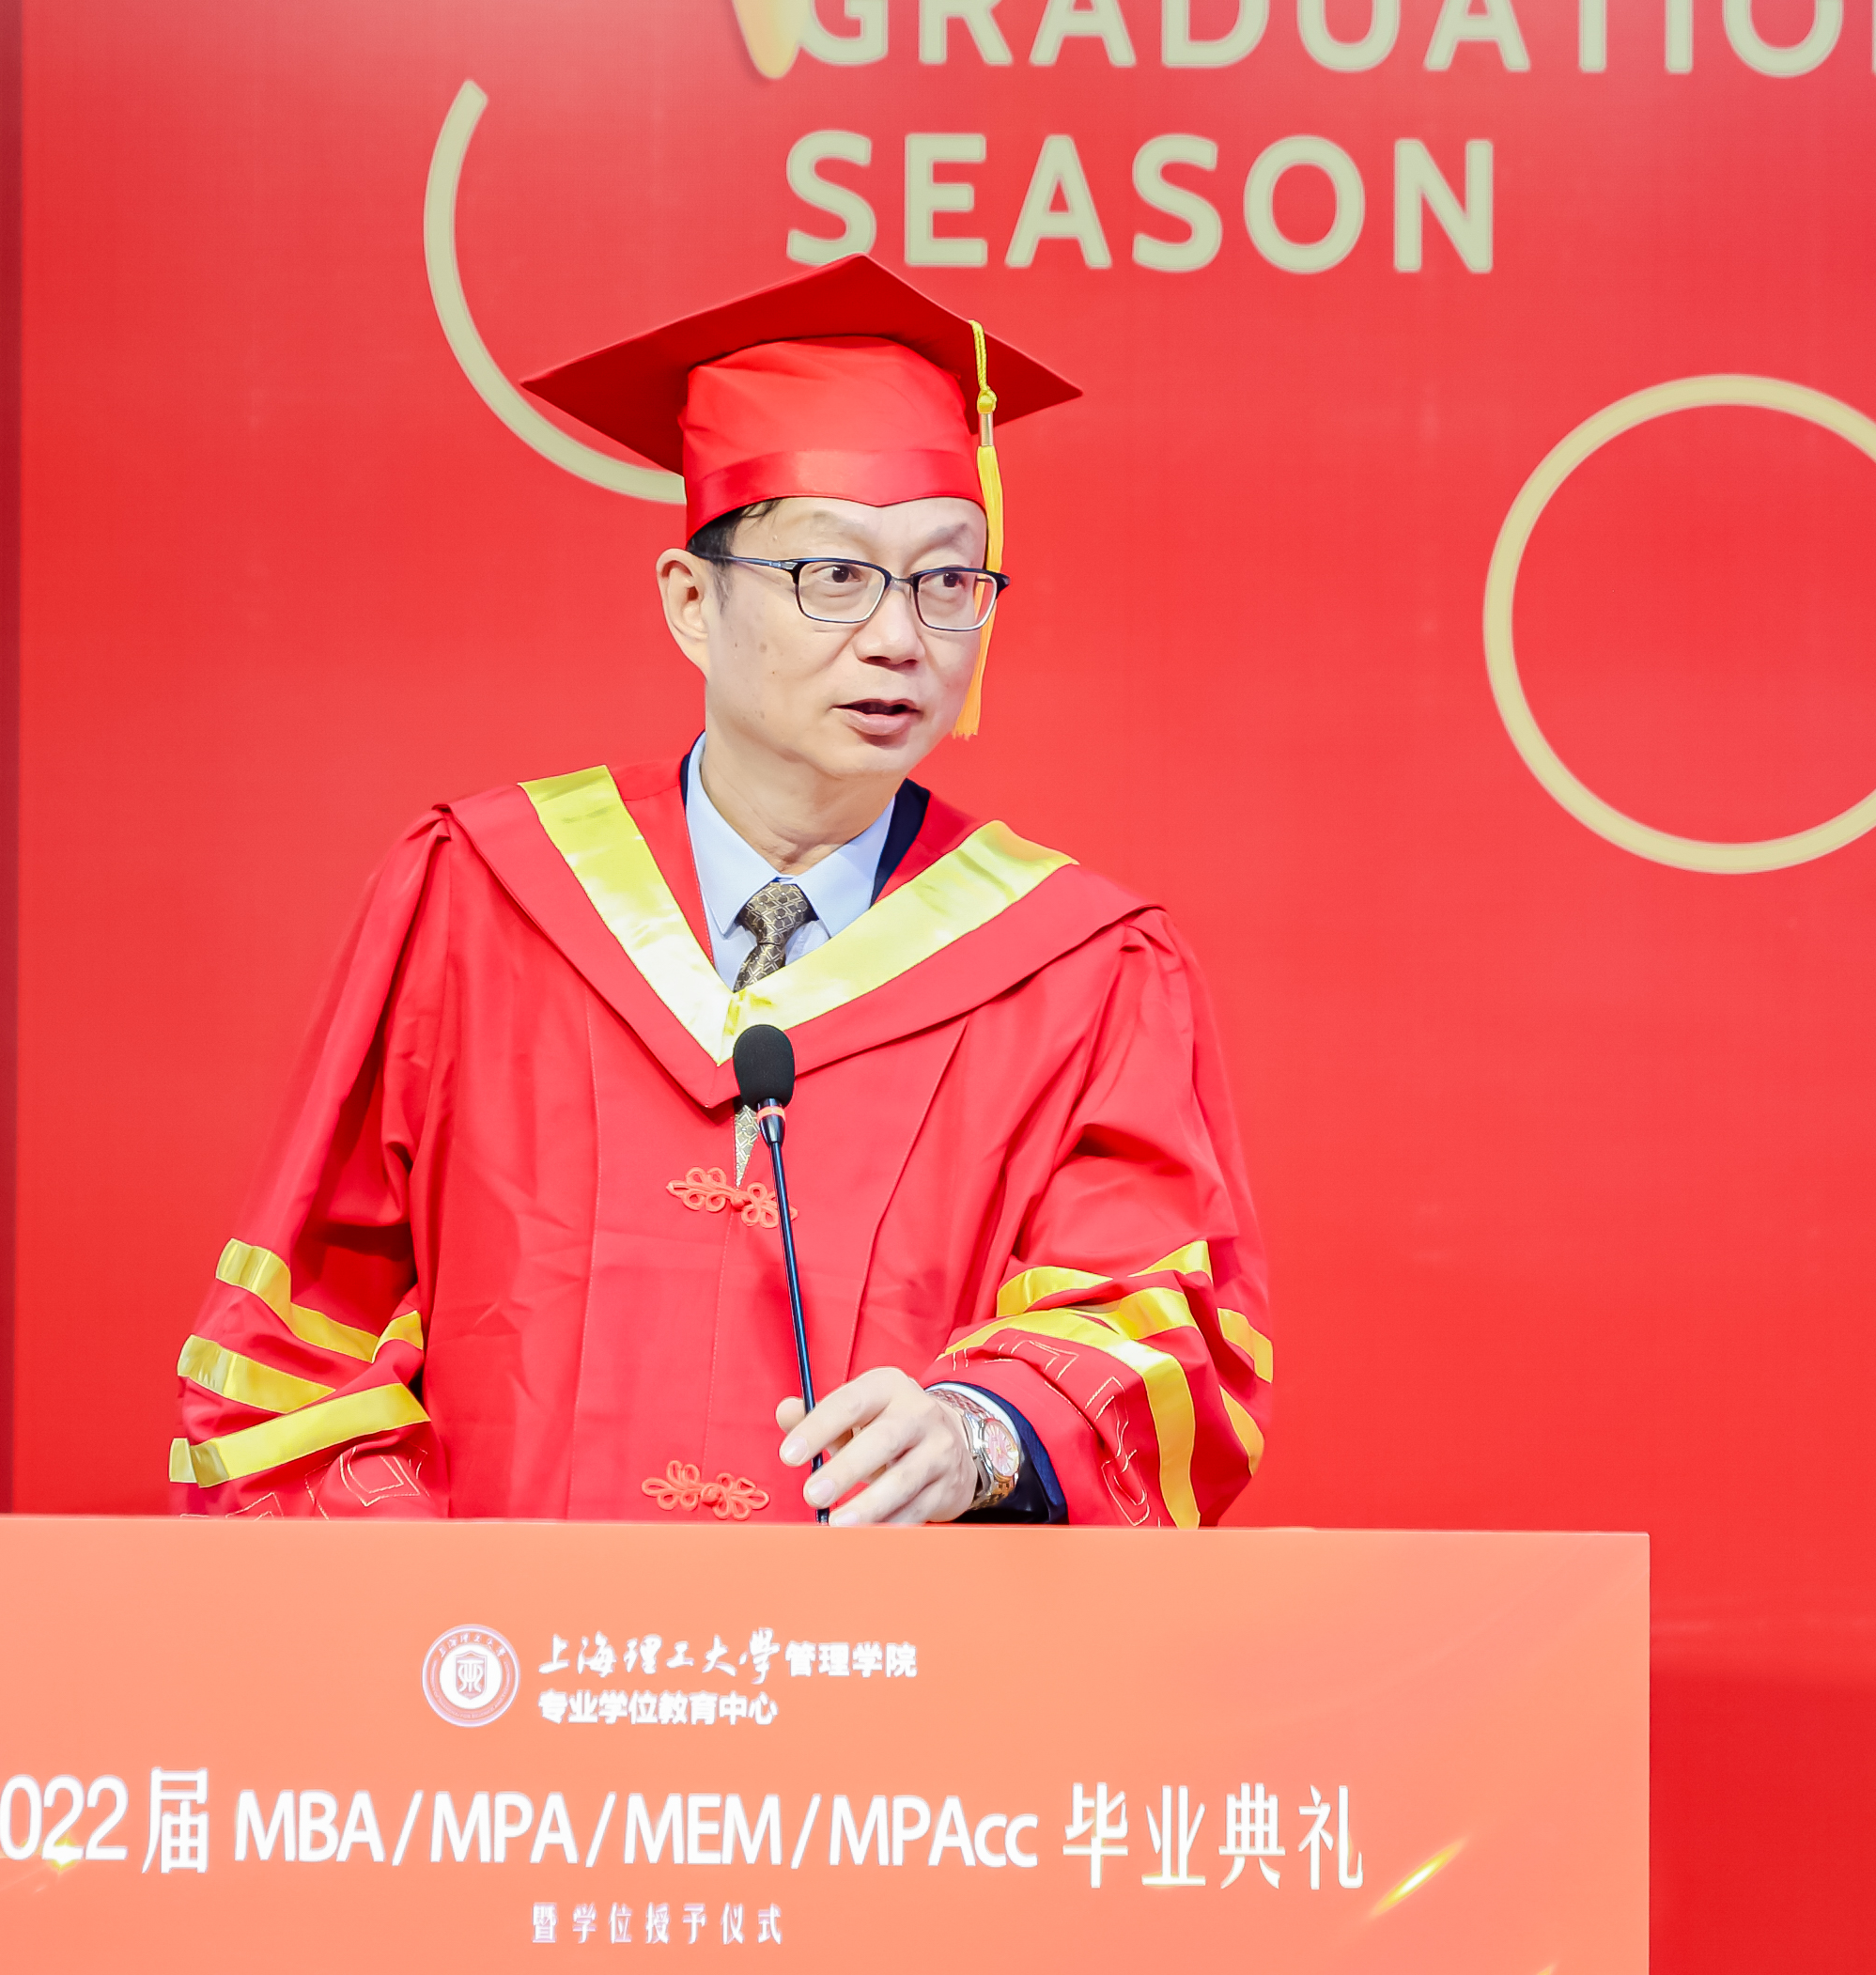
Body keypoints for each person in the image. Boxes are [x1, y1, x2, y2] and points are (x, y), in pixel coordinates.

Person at [167, 255, 1270, 1528]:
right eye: (836, 575)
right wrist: (444, 1617)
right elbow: (307, 1335)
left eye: (947, 580)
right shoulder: (478, 896)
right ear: (692, 602)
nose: (900, 638)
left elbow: (1152, 1328)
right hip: (516, 1643)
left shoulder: (1080, 969)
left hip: (885, 1646)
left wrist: (982, 1432)